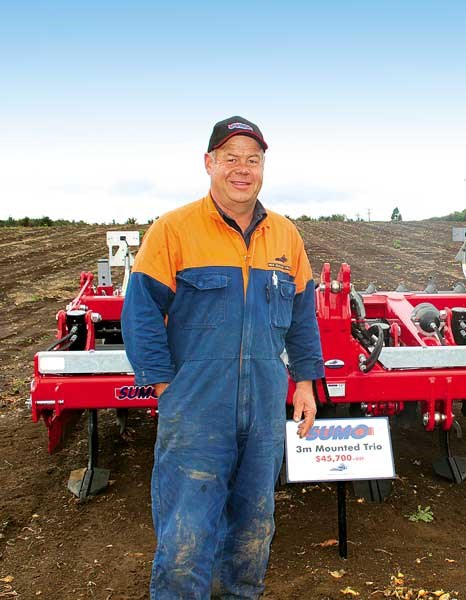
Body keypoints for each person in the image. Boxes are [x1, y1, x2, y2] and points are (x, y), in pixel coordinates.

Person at [121, 116, 324, 599]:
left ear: (263, 168)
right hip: (196, 407)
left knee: (255, 527)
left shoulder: (285, 237)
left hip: (265, 407)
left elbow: (302, 318)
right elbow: (141, 312)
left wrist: (305, 383)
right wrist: (163, 383)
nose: (242, 169)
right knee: (186, 534)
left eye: (252, 159)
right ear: (208, 163)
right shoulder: (174, 230)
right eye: (230, 158)